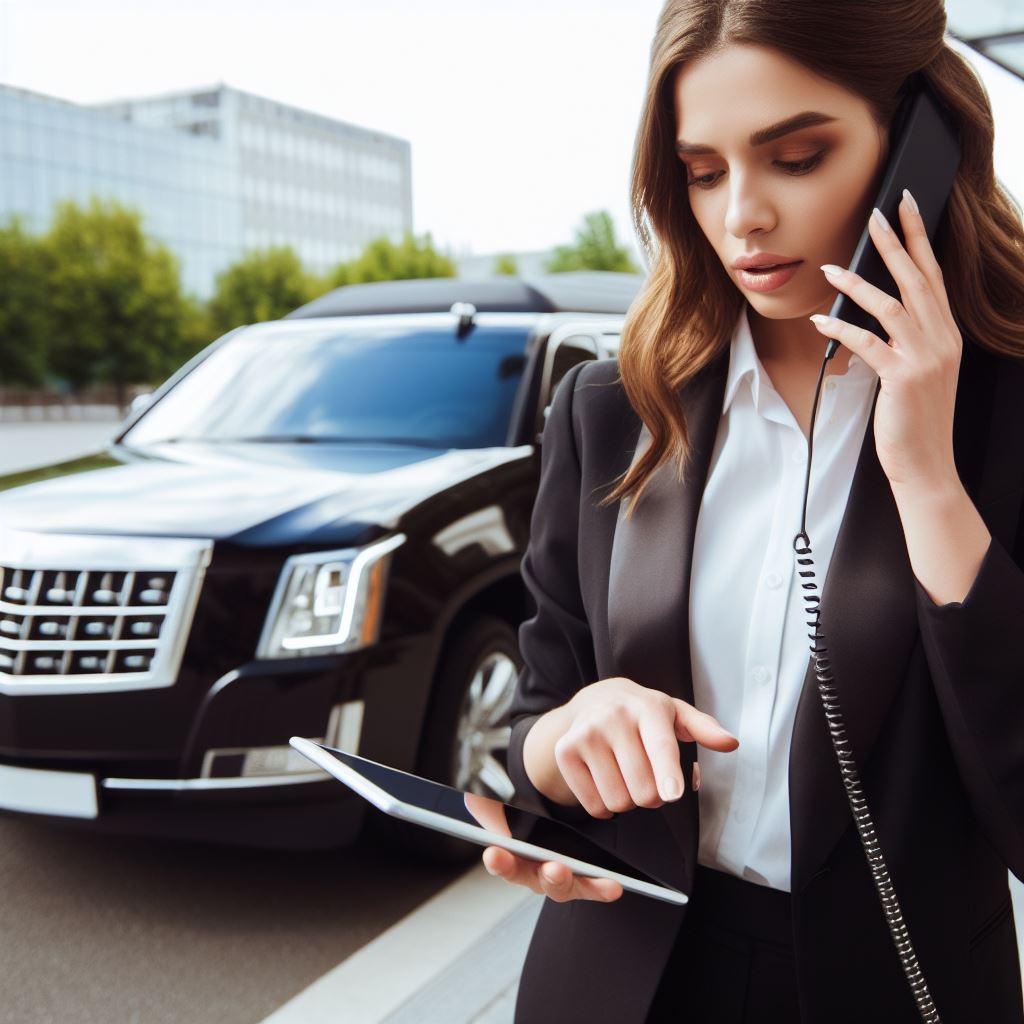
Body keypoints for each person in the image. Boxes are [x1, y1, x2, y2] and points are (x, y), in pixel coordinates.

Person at [480, 1, 1024, 1022]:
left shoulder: (1005, 414)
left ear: (921, 145)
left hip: (892, 988)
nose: (741, 218)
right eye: (702, 170)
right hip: (616, 978)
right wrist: (563, 749)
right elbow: (533, 719)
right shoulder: (608, 410)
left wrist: (927, 482)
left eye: (796, 155)